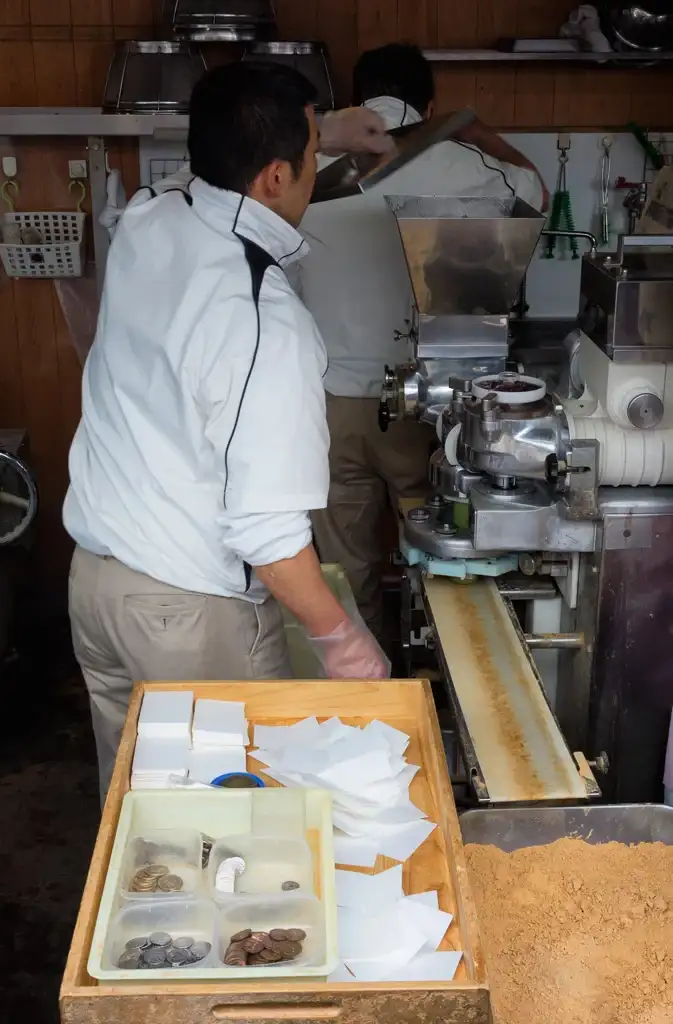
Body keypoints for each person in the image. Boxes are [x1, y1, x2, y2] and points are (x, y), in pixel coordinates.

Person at [64, 62, 389, 800]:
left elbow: (198, 174)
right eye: (310, 152)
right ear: (276, 176)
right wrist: (343, 643)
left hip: (99, 588)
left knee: (141, 806)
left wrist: (325, 129)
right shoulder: (265, 320)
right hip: (188, 613)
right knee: (233, 830)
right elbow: (269, 535)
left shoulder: (152, 215)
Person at [298, 43, 548, 643]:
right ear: (430, 104)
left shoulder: (311, 172)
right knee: (443, 563)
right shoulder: (465, 161)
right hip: (430, 405)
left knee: (344, 570)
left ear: (356, 101)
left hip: (328, 404)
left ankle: (363, 694)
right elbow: (533, 195)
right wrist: (475, 131)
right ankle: (440, 674)